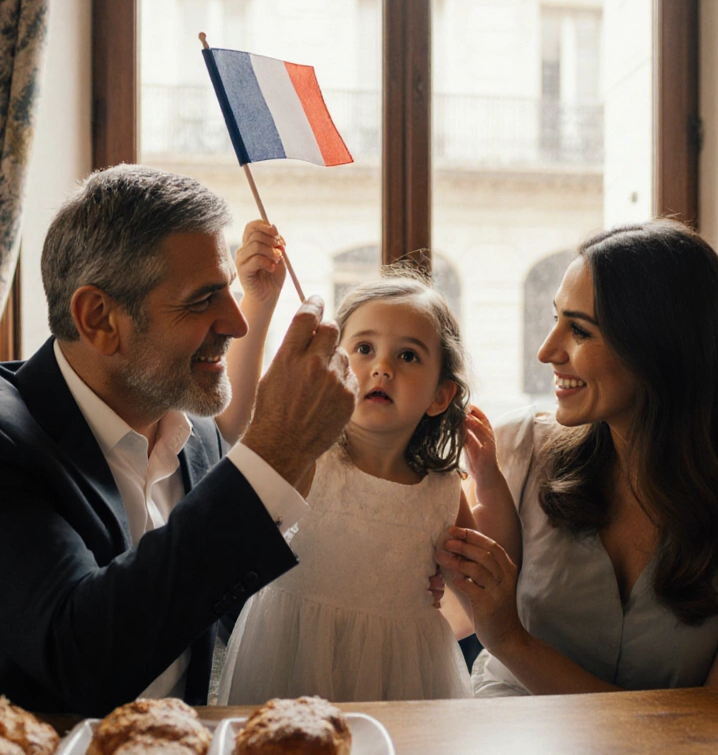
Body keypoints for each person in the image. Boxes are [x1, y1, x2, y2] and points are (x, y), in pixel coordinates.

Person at [0, 165, 367, 716]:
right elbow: (83, 657)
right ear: (99, 318)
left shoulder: (197, 439)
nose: (238, 324)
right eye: (203, 299)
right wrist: (275, 450)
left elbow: (211, 601)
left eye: (232, 293)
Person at [436, 220, 718, 695]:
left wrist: (512, 641)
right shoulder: (518, 448)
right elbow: (446, 604)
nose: (546, 351)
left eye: (579, 330)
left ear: (661, 349)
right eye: (554, 318)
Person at [215, 270, 520, 704]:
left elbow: (481, 601)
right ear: (334, 367)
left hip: (406, 678)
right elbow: (239, 419)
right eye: (363, 348)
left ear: (440, 396)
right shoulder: (307, 458)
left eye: (409, 356)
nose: (382, 367)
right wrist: (259, 302)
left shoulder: (441, 492)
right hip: (289, 658)